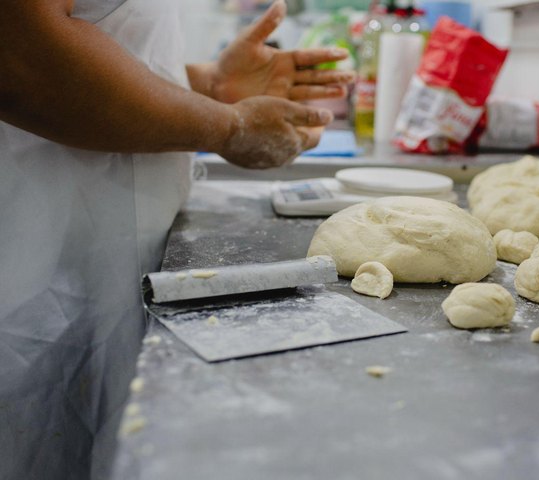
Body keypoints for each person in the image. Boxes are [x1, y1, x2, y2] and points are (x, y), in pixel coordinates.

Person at [0, 0, 355, 478]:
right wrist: (228, 125)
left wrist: (207, 86)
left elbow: (102, 38)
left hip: (95, 274)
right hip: (30, 279)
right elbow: (19, 53)